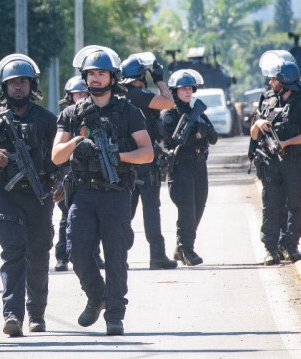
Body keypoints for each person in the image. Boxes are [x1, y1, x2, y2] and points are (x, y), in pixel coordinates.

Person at [51, 46, 153, 335]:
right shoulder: (71, 113)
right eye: (91, 74)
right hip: (83, 193)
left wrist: (119, 156)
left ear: (112, 77)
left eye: (101, 74)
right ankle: (97, 297)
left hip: (117, 192)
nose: (96, 79)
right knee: (77, 251)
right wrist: (75, 144)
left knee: (116, 254)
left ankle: (115, 314)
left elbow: (147, 153)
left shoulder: (128, 111)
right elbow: (56, 156)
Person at [0, 54, 58, 337]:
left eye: (23, 82)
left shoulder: (46, 119)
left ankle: (37, 313)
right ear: (4, 87)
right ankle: (12, 314)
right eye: (12, 82)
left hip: (39, 195)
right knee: (13, 252)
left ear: (32, 85)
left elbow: (61, 157)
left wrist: (61, 182)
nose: (18, 87)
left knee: (38, 255)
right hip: (5, 194)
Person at [251, 54, 301, 265]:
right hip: (269, 161)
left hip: (293, 161)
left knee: (294, 203)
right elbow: (253, 135)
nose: (270, 82)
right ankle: (271, 248)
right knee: (270, 203)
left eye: (274, 79)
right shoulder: (267, 99)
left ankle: (290, 245)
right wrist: (259, 123)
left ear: (285, 80)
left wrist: (287, 143)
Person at [120, 53, 177, 270]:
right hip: (144, 160)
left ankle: (119, 256)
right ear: (141, 75)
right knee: (151, 209)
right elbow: (169, 102)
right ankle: (157, 256)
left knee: (126, 210)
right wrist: (160, 80)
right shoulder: (139, 95)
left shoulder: (121, 97)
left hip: (126, 162)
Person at [161, 69, 217, 267]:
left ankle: (182, 247)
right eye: (182, 89)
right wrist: (197, 136)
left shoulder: (198, 112)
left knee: (199, 206)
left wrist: (205, 129)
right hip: (181, 165)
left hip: (199, 164)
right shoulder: (170, 114)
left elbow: (214, 138)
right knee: (187, 208)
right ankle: (187, 248)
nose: (187, 92)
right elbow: (172, 141)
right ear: (175, 91)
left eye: (189, 88)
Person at [54, 76, 105, 272]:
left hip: (89, 177)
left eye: (85, 93)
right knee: (67, 219)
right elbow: (55, 155)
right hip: (66, 177)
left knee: (95, 219)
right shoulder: (65, 119)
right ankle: (62, 256)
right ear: (69, 97)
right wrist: (57, 180)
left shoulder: (96, 119)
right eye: (78, 94)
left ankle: (95, 254)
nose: (82, 97)